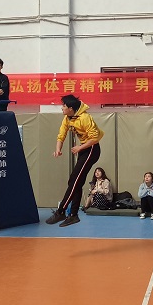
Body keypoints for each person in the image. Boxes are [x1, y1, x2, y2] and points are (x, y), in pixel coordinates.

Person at [45, 95, 103, 227]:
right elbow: (61, 134)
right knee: (75, 182)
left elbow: (94, 139)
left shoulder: (85, 118)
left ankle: (61, 211)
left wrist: (80, 148)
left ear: (71, 108)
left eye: (64, 106)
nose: (62, 108)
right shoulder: (68, 118)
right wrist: (58, 149)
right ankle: (73, 215)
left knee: (74, 181)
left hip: (91, 150)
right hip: (83, 149)